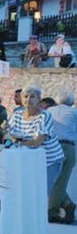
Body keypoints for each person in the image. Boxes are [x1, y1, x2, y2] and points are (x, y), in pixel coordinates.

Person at [8, 86, 65, 198]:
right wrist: (5, 131)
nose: (28, 99)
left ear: (39, 99)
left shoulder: (45, 115)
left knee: (42, 192)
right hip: (29, 159)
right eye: (25, 96)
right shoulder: (17, 115)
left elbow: (37, 142)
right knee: (29, 191)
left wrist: (17, 142)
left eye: (32, 96)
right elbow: (8, 135)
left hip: (49, 159)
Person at [43, 90, 77, 223]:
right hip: (68, 147)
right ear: (72, 102)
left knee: (51, 180)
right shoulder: (74, 113)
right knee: (61, 181)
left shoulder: (49, 111)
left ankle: (63, 206)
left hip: (50, 147)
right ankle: (54, 210)